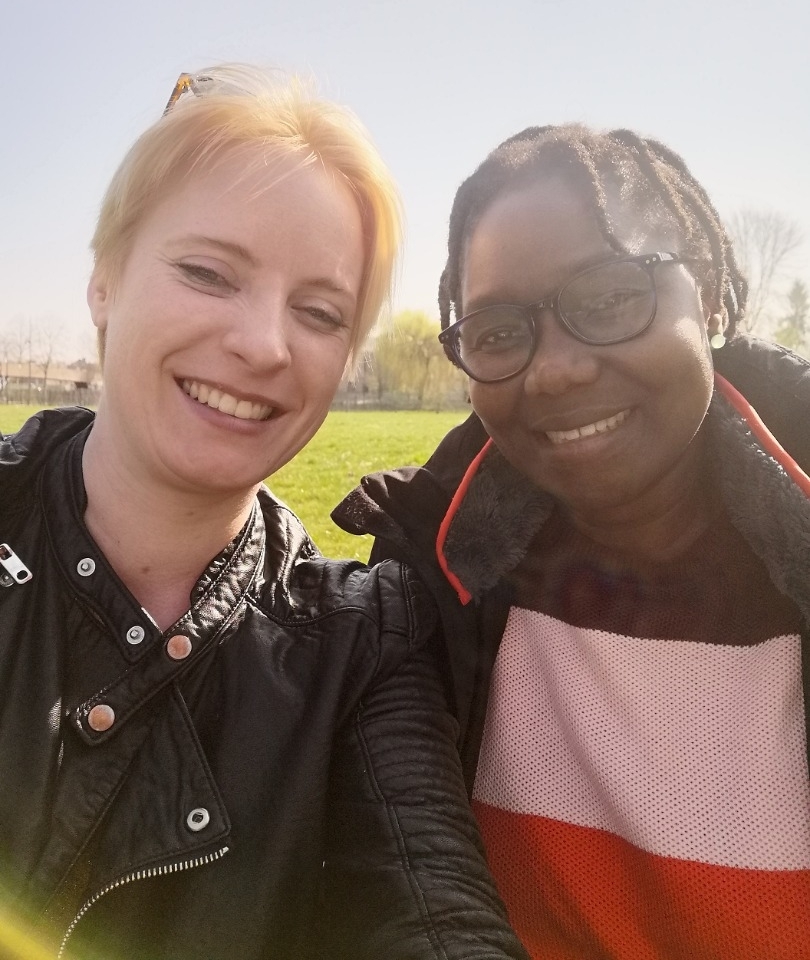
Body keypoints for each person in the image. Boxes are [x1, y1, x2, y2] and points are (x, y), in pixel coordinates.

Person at [0, 66, 528, 960]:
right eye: (208, 273)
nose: (261, 344)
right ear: (104, 282)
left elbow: (434, 910)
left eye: (319, 312)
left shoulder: (363, 647)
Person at [334, 124, 810, 960]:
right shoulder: (431, 572)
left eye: (611, 298)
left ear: (710, 298)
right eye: (496, 332)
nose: (555, 370)